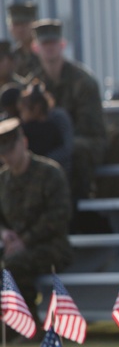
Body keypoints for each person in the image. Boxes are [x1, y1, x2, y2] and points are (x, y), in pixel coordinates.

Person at [0, 118, 72, 330]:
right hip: (14, 247)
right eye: (2, 153)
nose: (7, 157)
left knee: (14, 265)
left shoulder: (49, 172)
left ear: (24, 142)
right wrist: (4, 234)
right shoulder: (3, 180)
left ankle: (28, 326)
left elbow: (59, 216)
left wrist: (24, 240)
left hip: (52, 246)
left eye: (10, 150)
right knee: (12, 261)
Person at [31, 20, 107, 207]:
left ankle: (73, 211)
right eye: (44, 44)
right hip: (52, 145)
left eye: (53, 43)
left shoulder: (83, 81)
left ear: (62, 45)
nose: (49, 48)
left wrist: (59, 146)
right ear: (36, 48)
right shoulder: (33, 84)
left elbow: (90, 128)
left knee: (71, 153)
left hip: (86, 142)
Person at [18, 81, 73, 175]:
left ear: (36, 108)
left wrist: (43, 163)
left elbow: (66, 148)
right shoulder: (28, 127)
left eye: (23, 110)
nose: (21, 115)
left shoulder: (58, 119)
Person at [7, 2, 40, 78]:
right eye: (16, 24)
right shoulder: (9, 58)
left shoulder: (45, 52)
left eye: (24, 24)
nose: (20, 29)